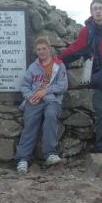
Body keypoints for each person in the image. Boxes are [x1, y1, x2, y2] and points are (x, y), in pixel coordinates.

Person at [57, 0, 102, 161]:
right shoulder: (87, 32)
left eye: (100, 8)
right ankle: (101, 146)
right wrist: (58, 60)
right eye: (95, 8)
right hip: (99, 78)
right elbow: (76, 49)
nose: (98, 11)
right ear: (91, 12)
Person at [14, 37, 68, 173]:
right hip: (34, 101)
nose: (42, 51)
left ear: (49, 49)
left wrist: (46, 91)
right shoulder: (33, 67)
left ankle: (50, 154)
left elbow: (63, 86)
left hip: (52, 101)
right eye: (39, 49)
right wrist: (28, 97)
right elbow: (25, 86)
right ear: (36, 52)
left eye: (44, 48)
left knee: (50, 116)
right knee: (30, 122)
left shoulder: (59, 65)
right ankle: (22, 159)